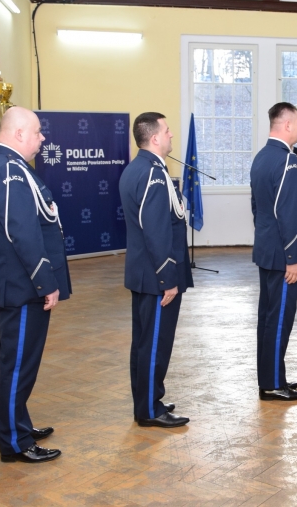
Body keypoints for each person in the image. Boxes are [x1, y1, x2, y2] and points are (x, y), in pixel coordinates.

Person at [0, 106, 71, 463]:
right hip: (21, 286)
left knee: (18, 363)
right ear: (18, 134)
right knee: (17, 365)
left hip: (16, 283)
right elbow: (22, 233)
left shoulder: (4, 165)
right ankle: (15, 441)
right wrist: (46, 283)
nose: (42, 138)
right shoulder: (10, 170)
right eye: (37, 132)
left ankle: (19, 424)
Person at [119, 112, 193, 428]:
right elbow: (156, 230)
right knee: (154, 344)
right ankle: (149, 408)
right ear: (154, 138)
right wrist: (168, 279)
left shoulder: (139, 168)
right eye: (166, 130)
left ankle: (148, 399)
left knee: (146, 341)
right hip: (156, 275)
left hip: (144, 272)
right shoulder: (151, 173)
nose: (171, 134)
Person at [250, 102, 297, 401]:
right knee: (279, 320)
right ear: (287, 125)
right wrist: (293, 257)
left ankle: (272, 378)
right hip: (284, 257)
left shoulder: (262, 157)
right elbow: (287, 213)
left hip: (268, 251)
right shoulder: (288, 162)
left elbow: (258, 209)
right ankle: (273, 384)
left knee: (268, 317)